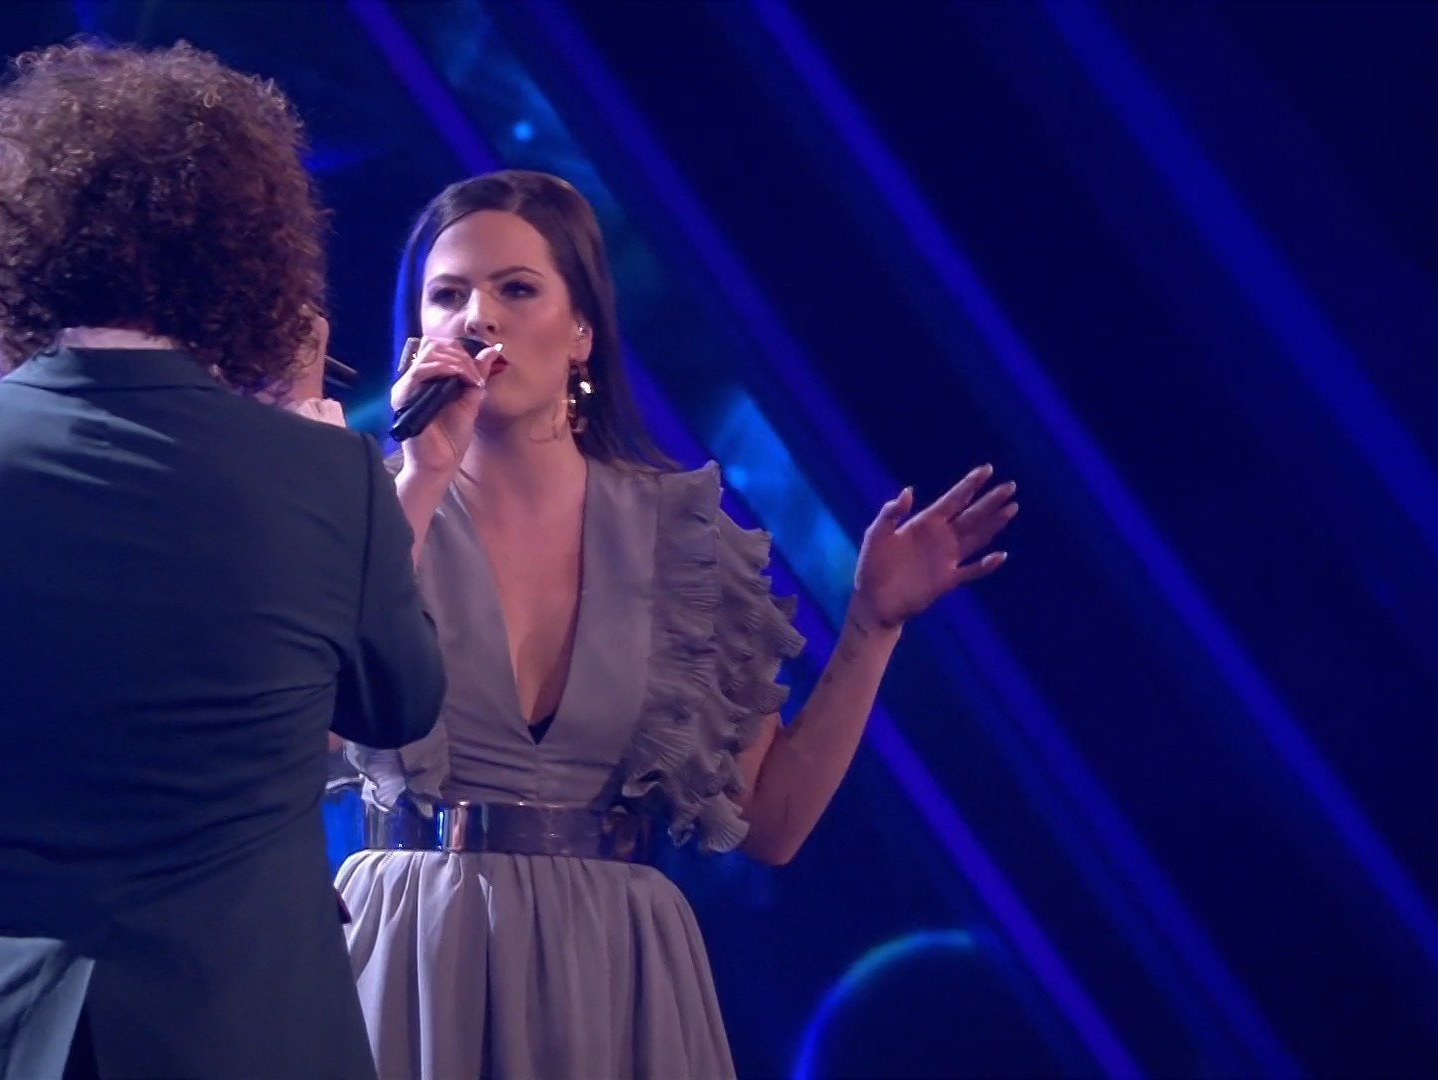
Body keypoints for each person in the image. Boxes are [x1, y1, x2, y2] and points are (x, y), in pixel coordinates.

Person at [0, 40, 445, 1080]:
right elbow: (400, 705)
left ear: (16, 246)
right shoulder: (326, 474)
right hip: (250, 1036)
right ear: (243, 255)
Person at [319, 170, 1020, 1079]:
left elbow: (770, 823)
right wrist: (421, 477)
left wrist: (873, 625)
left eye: (516, 289)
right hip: (412, 955)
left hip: (607, 964)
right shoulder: (365, 513)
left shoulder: (678, 541)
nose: (477, 318)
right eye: (447, 296)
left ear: (582, 330)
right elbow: (306, 727)